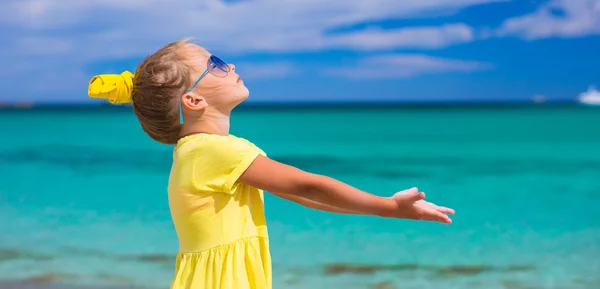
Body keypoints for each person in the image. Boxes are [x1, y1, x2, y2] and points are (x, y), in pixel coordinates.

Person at [87, 38, 455, 289]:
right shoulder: (211, 152)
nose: (229, 64)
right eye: (215, 65)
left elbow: (300, 194)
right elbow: (306, 184)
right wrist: (387, 207)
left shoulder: (212, 150)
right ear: (194, 101)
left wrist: (377, 210)